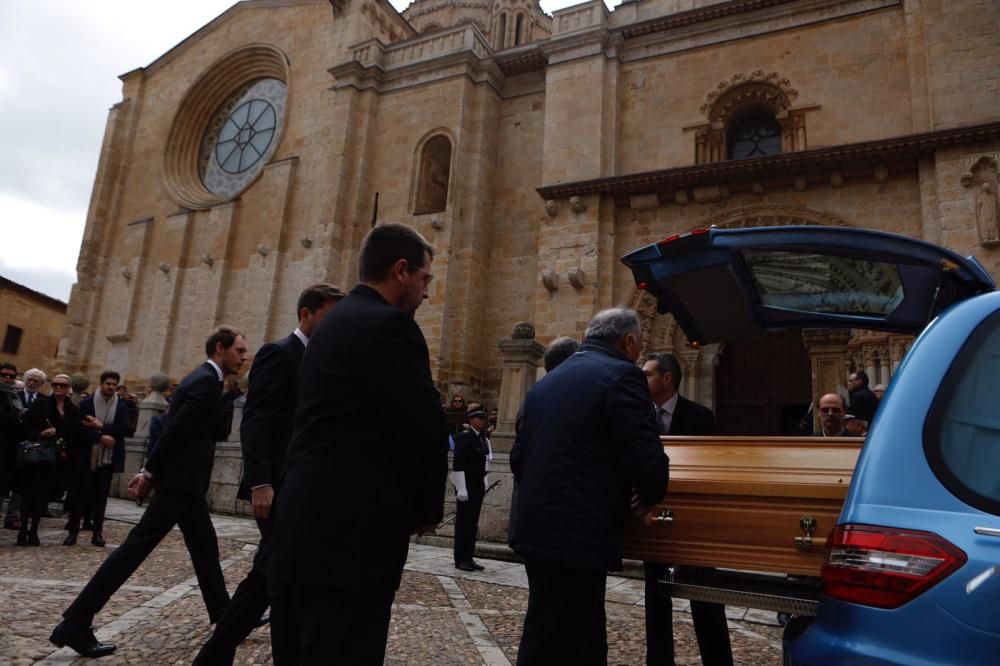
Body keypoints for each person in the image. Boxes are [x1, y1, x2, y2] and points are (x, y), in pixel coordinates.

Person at [267, 222, 449, 664]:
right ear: (401, 270)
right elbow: (419, 426)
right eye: (426, 279)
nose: (427, 292)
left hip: (301, 521)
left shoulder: (332, 325)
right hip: (352, 533)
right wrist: (426, 509)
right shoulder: (391, 327)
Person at [50, 326, 248, 658]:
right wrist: (148, 472)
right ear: (219, 348)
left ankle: (226, 617)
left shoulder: (206, 381)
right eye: (239, 350)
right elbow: (174, 433)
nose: (244, 356)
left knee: (205, 549)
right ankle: (75, 621)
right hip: (179, 485)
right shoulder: (202, 382)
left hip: (188, 487)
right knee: (133, 550)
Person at [194, 283, 344, 665]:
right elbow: (257, 420)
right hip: (276, 486)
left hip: (304, 487)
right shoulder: (279, 354)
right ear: (305, 314)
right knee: (283, 578)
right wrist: (261, 482)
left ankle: (214, 653)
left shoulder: (325, 358)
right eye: (328, 315)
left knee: (270, 571)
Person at [510, 308, 669, 665]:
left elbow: (520, 458)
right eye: (639, 347)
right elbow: (646, 458)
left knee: (574, 636)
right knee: (557, 645)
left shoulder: (546, 382)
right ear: (629, 342)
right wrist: (648, 495)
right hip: (579, 534)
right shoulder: (623, 375)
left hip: (537, 529)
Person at [641, 352, 732, 666]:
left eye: (648, 374)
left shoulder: (699, 416)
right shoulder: (638, 417)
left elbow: (712, 466)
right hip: (654, 520)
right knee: (655, 599)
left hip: (694, 523)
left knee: (705, 598)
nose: (641, 380)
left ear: (667, 378)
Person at [67, 371, 135, 547]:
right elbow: (80, 428)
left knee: (101, 497)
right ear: (101, 384)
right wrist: (100, 437)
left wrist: (102, 427)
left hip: (108, 458)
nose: (111, 387)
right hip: (87, 456)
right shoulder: (87, 403)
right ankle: (72, 532)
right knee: (79, 494)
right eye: (108, 384)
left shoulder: (121, 406)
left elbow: (126, 428)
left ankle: (97, 533)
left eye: (114, 384)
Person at [17, 373, 78, 546]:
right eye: (56, 384)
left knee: (43, 496)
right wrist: (40, 434)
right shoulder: (41, 403)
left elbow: (74, 432)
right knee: (29, 495)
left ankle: (34, 530)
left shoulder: (72, 409)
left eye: (62, 385)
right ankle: (22, 531)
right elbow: (26, 425)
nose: (58, 388)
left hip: (56, 459)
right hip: (37, 456)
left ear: (68, 389)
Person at [452, 404, 492, 572]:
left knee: (472, 523)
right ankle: (460, 558)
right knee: (463, 523)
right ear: (471, 419)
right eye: (479, 418)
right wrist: (461, 487)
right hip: (465, 485)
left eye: (484, 418)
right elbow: (458, 464)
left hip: (477, 485)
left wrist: (486, 479)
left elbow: (485, 462)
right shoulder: (464, 437)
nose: (483, 421)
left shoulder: (483, 438)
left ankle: (469, 556)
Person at [6, 367, 46, 528]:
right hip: (11, 443)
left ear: (41, 384)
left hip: (30, 446)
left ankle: (12, 516)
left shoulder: (43, 401)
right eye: (29, 379)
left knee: (20, 481)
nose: (31, 382)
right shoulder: (14, 396)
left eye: (36, 380)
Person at [0, 363, 23, 530]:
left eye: (12, 376)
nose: (8, 378)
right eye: (4, 375)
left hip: (11, 447)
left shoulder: (17, 396)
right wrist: (21, 419)